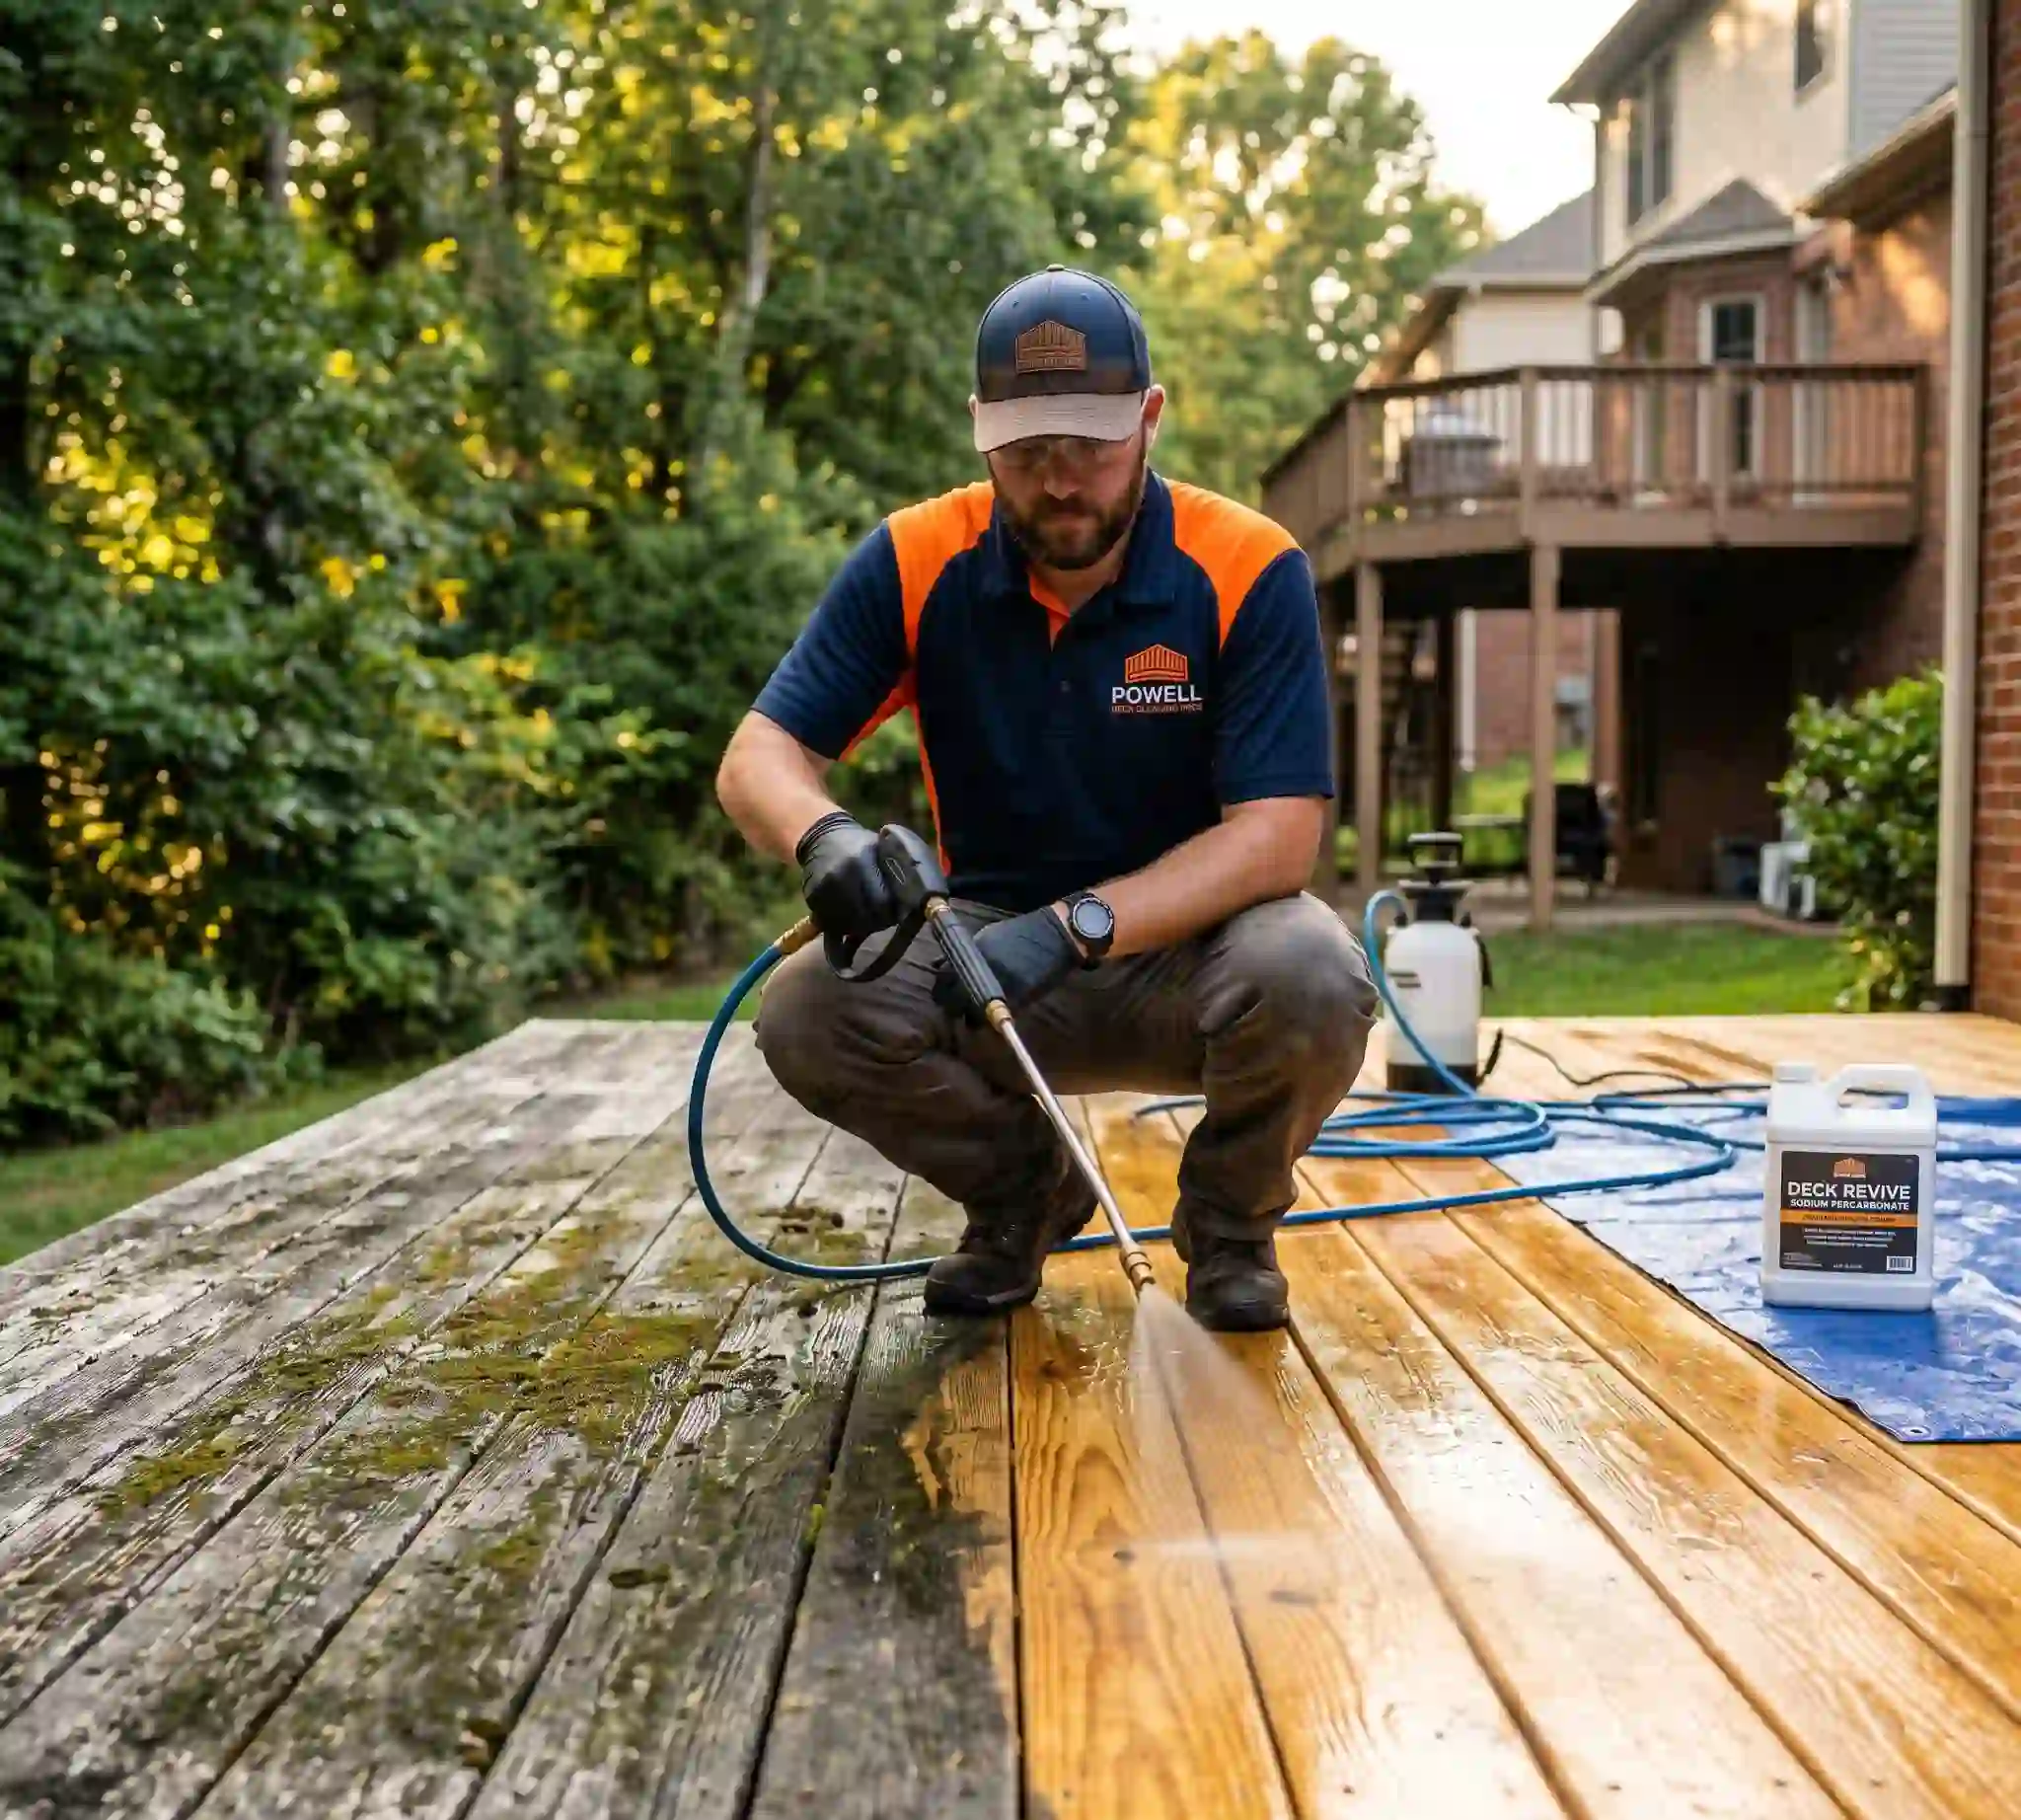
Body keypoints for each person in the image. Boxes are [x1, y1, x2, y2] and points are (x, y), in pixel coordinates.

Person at [714, 264, 1378, 1330]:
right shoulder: (914, 557)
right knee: (804, 1008)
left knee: (1310, 967)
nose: (1060, 480)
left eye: (1090, 445)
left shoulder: (1249, 565)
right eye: (1026, 451)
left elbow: (1277, 838)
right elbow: (757, 753)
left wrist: (1079, 925)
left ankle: (1228, 1226)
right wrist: (822, 833)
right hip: (979, 953)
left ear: (1150, 418)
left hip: (1198, 955)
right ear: (980, 432)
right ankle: (1026, 1194)